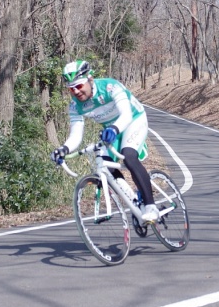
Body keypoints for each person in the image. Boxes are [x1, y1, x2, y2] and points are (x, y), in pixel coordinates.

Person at [51, 59, 159, 222]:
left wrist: (114, 129)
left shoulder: (110, 87)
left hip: (133, 120)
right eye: (71, 90)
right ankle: (135, 201)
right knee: (105, 165)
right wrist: (64, 149)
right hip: (112, 128)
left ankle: (151, 206)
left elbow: (126, 115)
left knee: (129, 156)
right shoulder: (75, 106)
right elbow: (76, 135)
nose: (76, 92)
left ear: (90, 79)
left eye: (79, 86)